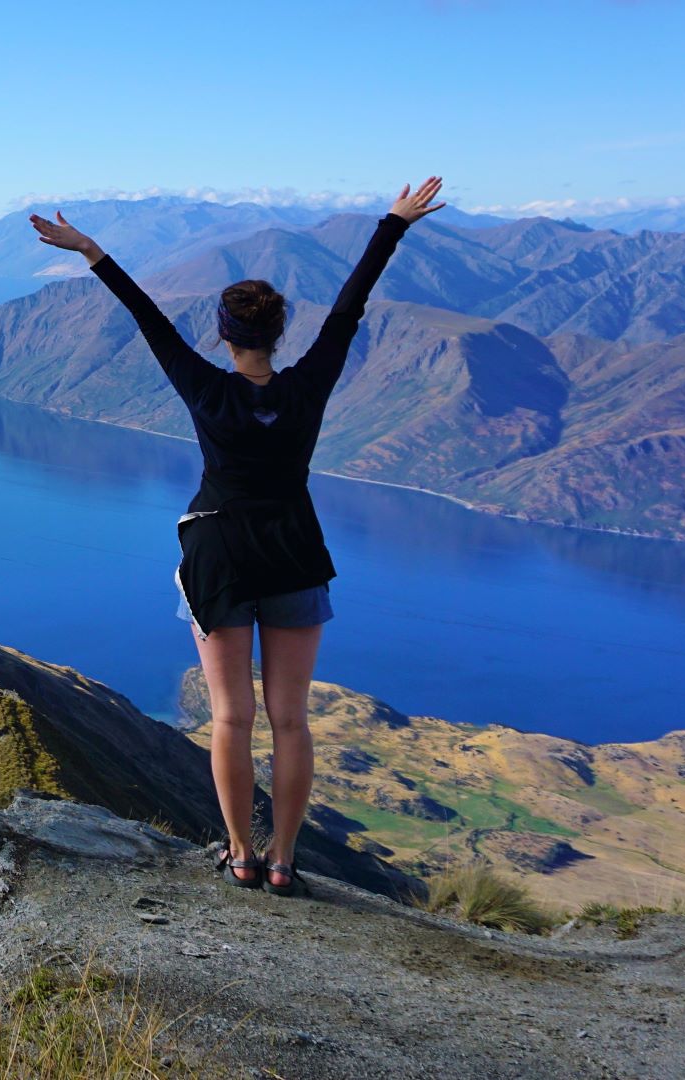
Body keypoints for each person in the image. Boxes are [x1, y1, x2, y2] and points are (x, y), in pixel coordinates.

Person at [29, 178, 445, 897]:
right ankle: (283, 861)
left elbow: (146, 317)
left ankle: (238, 854)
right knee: (290, 720)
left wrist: (91, 250)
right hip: (293, 550)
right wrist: (391, 225)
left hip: (218, 553)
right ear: (278, 333)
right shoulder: (306, 385)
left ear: (223, 334)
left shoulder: (203, 387)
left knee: (230, 716)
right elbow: (348, 309)